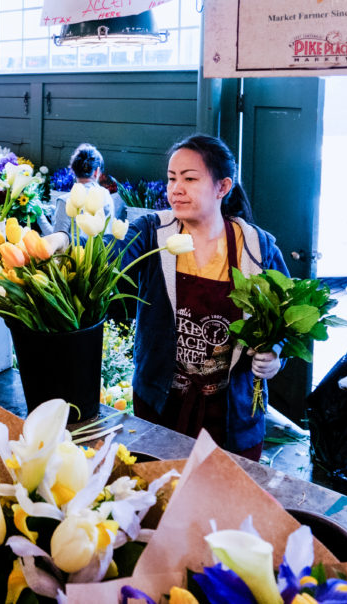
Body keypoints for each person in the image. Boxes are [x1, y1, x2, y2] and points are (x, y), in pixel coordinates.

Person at [120, 134, 288, 461]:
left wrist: (276, 353)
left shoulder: (256, 247)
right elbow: (113, 255)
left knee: (225, 505)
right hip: (159, 406)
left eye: (190, 178)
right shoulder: (151, 232)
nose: (176, 188)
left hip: (233, 416)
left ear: (222, 187)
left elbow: (285, 314)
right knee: (157, 498)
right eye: (171, 179)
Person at [41, 143, 126, 242]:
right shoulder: (106, 195)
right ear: (96, 171)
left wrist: (40, 217)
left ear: (72, 170)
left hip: (75, 256)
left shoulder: (65, 200)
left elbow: (56, 241)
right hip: (103, 255)